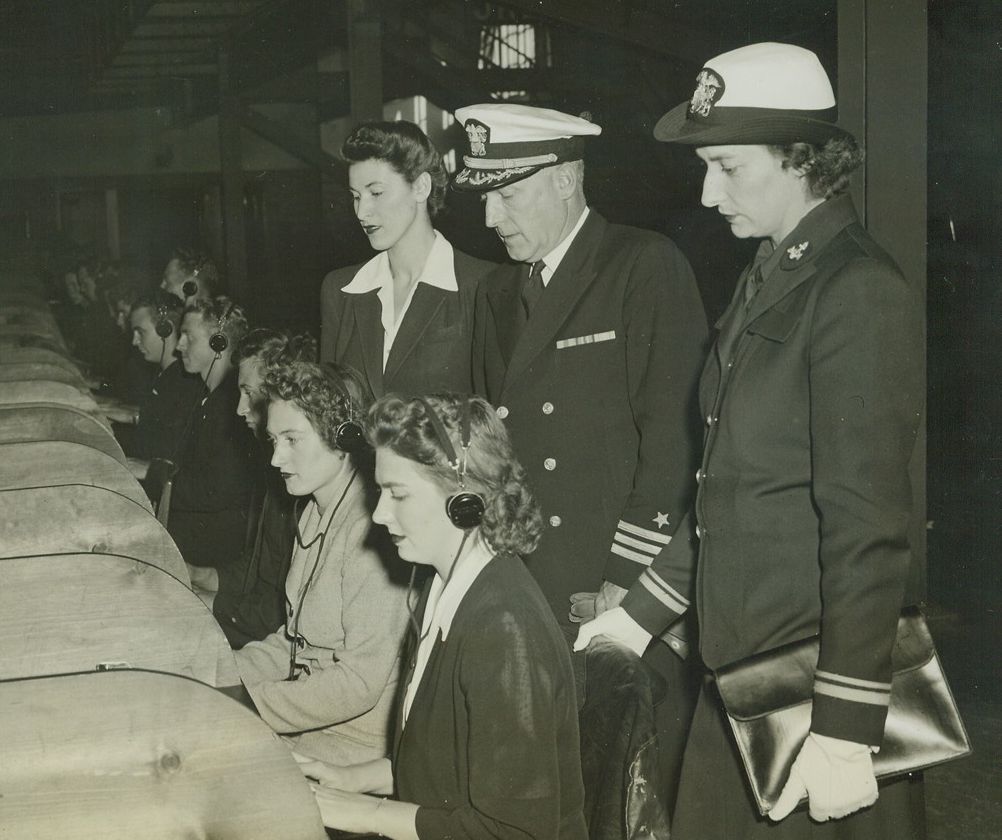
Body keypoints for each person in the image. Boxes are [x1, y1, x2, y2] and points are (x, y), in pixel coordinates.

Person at [575, 43, 926, 839]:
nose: (708, 193)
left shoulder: (856, 290)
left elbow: (867, 530)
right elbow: (730, 489)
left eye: (728, 168)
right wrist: (639, 615)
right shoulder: (769, 273)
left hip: (813, 694)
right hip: (740, 676)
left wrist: (847, 725)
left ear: (802, 160)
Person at [458, 102, 709, 801]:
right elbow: (490, 451)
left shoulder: (640, 265)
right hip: (525, 578)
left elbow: (677, 440)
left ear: (566, 179)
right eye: (485, 198)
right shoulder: (497, 291)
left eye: (509, 195)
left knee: (620, 787)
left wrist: (628, 579)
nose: (491, 218)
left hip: (606, 584)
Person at [300, 393, 587, 840]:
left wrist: (367, 814)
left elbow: (514, 832)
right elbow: (445, 765)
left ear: (464, 500)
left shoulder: (504, 628)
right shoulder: (443, 586)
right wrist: (349, 778)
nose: (379, 514)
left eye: (398, 494)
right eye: (380, 492)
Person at [234, 361, 409, 765]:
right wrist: (216, 670)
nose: (276, 458)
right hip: (309, 729)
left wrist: (243, 702)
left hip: (352, 748)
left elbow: (358, 683)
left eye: (292, 440)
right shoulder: (315, 510)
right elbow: (295, 644)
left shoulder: (371, 533)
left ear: (343, 437)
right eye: (274, 440)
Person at [321, 120, 494, 400]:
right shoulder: (340, 290)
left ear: (420, 187)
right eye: (356, 196)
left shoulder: (482, 285)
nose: (362, 212)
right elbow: (327, 411)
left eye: (376, 193)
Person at [210, 327, 319, 648]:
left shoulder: (298, 483)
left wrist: (211, 604)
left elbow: (278, 614)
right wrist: (200, 576)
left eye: (249, 393)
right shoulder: (272, 468)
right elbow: (257, 572)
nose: (240, 408)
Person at [166, 295, 257, 588]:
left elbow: (215, 490)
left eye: (188, 337)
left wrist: (157, 476)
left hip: (213, 547)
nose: (179, 345)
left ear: (219, 343)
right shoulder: (210, 397)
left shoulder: (232, 407)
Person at [120, 291, 204, 498]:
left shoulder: (184, 382)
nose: (134, 341)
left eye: (141, 332)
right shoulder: (165, 374)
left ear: (166, 330)